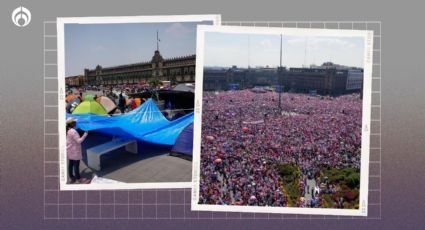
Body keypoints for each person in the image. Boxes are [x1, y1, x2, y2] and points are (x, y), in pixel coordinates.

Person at [66, 118, 89, 184]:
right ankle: (79, 179)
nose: (76, 123)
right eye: (75, 122)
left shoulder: (68, 130)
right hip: (75, 151)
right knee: (76, 165)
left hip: (69, 150)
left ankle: (72, 177)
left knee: (71, 164)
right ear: (72, 123)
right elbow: (79, 141)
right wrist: (85, 134)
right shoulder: (74, 131)